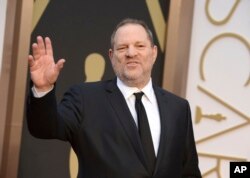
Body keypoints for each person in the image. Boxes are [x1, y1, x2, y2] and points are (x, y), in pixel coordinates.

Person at [27, 18, 201, 178]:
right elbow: (45, 128)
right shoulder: (85, 98)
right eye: (122, 47)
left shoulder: (178, 108)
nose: (131, 53)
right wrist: (43, 89)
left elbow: (189, 171)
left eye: (140, 46)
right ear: (111, 56)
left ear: (153, 53)